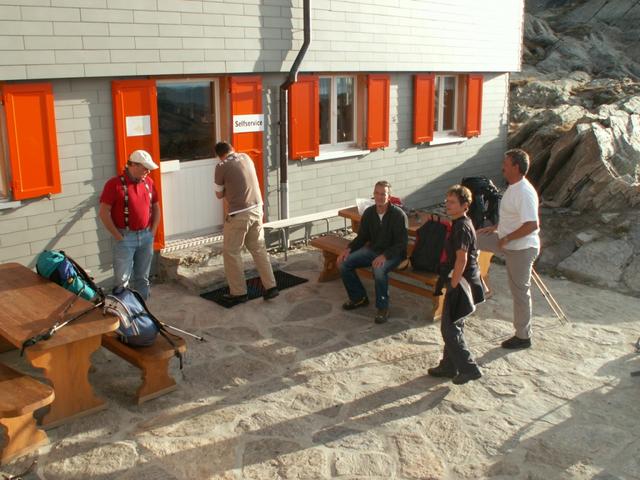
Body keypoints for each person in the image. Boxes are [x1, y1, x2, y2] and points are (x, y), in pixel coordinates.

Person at [477, 148, 540, 349]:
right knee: (471, 238)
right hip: (505, 240)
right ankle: (477, 285)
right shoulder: (513, 187)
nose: (502, 167)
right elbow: (514, 217)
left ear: (516, 167)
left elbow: (532, 224)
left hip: (521, 248)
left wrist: (507, 238)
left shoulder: (524, 192)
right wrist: (496, 228)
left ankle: (523, 336)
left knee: (519, 291)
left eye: (506, 163)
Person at [428, 185, 485, 384]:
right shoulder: (461, 223)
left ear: (465, 205)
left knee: (449, 328)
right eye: (447, 201)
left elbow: (462, 258)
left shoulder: (461, 227)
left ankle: (469, 368)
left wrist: (453, 284)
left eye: (452, 202)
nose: (448, 205)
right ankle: (448, 366)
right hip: (463, 280)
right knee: (454, 324)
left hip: (462, 282)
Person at [214, 141, 278, 304]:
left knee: (231, 252)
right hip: (257, 209)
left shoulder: (221, 166)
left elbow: (219, 194)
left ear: (219, 156)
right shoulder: (246, 157)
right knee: (258, 248)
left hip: (239, 214)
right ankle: (271, 286)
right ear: (232, 149)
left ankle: (239, 293)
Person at [337, 180, 408, 324]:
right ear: (373, 194)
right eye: (377, 193)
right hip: (373, 250)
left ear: (389, 196)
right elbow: (362, 237)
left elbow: (401, 244)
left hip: (394, 254)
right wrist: (348, 249)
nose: (380, 197)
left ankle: (383, 307)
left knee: (379, 270)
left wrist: (384, 256)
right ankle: (359, 298)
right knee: (344, 263)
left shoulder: (398, 215)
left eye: (383, 194)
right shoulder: (369, 213)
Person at [99, 150, 160, 300]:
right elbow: (104, 212)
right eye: (145, 168)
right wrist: (118, 236)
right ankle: (123, 309)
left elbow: (156, 207)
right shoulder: (114, 184)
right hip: (125, 237)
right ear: (133, 165)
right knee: (122, 280)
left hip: (146, 236)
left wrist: (152, 232)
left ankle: (142, 308)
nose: (148, 171)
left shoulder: (148, 182)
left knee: (143, 278)